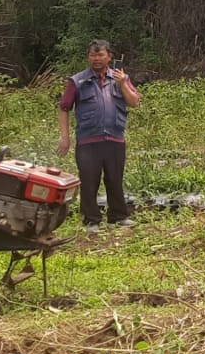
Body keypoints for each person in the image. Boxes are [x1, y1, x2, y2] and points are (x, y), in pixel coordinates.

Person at [57, 40, 142, 235]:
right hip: (88, 141)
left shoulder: (120, 78)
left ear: (109, 57)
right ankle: (91, 220)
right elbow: (64, 108)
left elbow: (134, 102)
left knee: (115, 179)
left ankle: (118, 217)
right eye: (93, 55)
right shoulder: (77, 81)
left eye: (101, 55)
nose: (96, 59)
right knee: (89, 181)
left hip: (115, 139)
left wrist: (122, 84)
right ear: (88, 57)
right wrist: (65, 138)